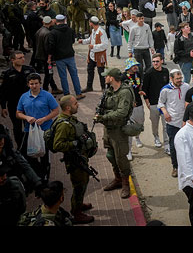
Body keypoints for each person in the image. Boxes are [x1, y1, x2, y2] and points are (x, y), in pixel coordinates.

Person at [50, 95, 96, 224]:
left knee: (84, 181)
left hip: (80, 157)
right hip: (74, 161)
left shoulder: (70, 119)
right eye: (76, 103)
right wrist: (75, 143)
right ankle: (76, 213)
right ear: (68, 107)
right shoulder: (63, 125)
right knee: (79, 185)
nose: (78, 105)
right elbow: (57, 145)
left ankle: (79, 204)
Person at [94, 67, 135, 199]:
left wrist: (103, 117)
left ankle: (125, 183)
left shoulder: (124, 92)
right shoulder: (109, 90)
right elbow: (103, 106)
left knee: (121, 158)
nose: (105, 77)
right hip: (109, 129)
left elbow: (122, 112)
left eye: (107, 76)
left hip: (119, 129)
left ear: (112, 78)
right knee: (111, 155)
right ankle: (117, 179)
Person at [16, 73, 59, 182]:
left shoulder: (47, 96)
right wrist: (26, 117)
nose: (34, 86)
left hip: (45, 130)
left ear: (40, 84)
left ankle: (45, 178)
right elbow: (18, 113)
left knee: (44, 155)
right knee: (25, 154)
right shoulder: (24, 97)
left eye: (36, 83)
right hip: (29, 130)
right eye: (31, 84)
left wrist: (44, 119)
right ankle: (36, 174)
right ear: (28, 84)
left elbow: (56, 111)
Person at [0, 51, 38, 148]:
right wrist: (3, 107)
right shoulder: (7, 74)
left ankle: (30, 145)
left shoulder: (29, 70)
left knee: (30, 125)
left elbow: (37, 86)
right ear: (12, 60)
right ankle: (20, 147)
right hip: (14, 105)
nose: (23, 59)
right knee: (17, 127)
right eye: (19, 58)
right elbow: (3, 91)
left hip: (29, 104)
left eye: (23, 57)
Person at [159, 69, 190, 178]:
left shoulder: (186, 87)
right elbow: (160, 103)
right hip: (172, 123)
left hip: (185, 122)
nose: (179, 80)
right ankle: (175, 166)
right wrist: (165, 112)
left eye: (180, 78)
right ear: (171, 79)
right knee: (173, 146)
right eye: (177, 79)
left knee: (186, 145)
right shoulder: (165, 90)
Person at [46, 15, 84, 100]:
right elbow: (73, 40)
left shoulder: (53, 32)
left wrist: (49, 57)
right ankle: (78, 93)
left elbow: (51, 46)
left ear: (56, 21)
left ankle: (67, 95)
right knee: (74, 75)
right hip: (70, 55)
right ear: (64, 20)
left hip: (59, 57)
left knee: (63, 77)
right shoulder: (70, 30)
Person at [142, 53, 170, 149]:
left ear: (161, 61)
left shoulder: (166, 71)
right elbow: (144, 89)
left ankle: (166, 142)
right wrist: (147, 103)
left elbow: (167, 87)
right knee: (155, 123)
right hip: (153, 104)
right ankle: (156, 137)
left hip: (164, 104)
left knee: (166, 124)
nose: (155, 63)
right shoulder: (148, 73)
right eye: (153, 62)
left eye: (157, 61)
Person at [78, 16, 109, 94]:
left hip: (99, 55)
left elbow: (105, 45)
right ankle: (89, 86)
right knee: (90, 70)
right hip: (92, 55)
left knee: (101, 72)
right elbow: (90, 40)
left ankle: (103, 87)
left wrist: (94, 47)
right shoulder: (94, 31)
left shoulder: (101, 32)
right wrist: (83, 41)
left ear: (91, 23)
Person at [33, 16, 60, 95]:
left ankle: (54, 87)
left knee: (48, 72)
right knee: (49, 73)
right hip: (46, 57)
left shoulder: (39, 31)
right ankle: (45, 89)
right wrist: (49, 57)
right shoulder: (48, 33)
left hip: (40, 55)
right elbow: (48, 47)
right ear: (50, 22)